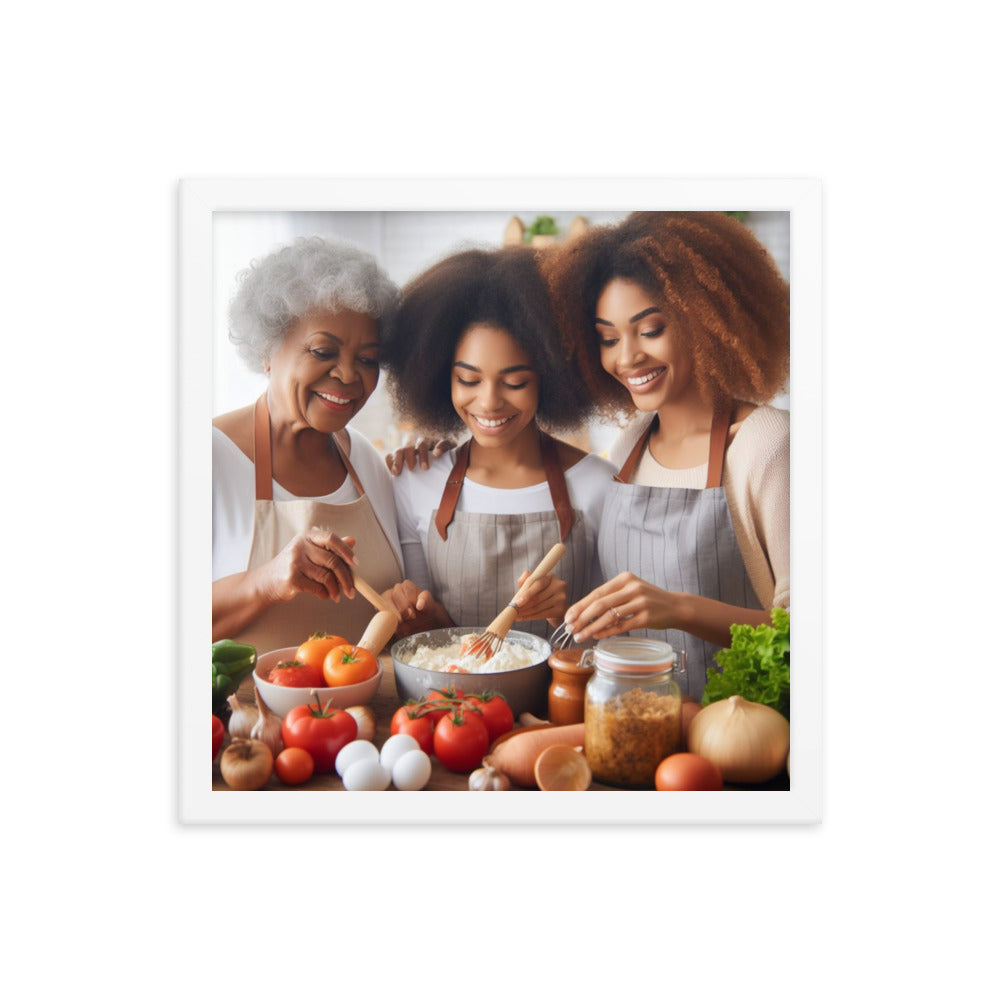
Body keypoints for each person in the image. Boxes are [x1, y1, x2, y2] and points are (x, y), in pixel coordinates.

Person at [543, 212, 790, 699]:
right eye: (608, 339)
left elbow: (812, 632)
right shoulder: (631, 442)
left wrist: (680, 609)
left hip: (740, 740)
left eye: (650, 329)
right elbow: (626, 610)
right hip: (638, 724)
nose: (626, 357)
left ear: (707, 321)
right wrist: (561, 608)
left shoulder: (766, 444)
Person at [379, 244, 615, 639]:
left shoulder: (600, 485)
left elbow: (618, 642)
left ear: (551, 378)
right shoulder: (416, 481)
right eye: (468, 380)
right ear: (440, 377)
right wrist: (420, 613)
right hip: (453, 699)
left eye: (515, 381)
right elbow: (427, 638)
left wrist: (564, 616)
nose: (489, 402)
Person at [212, 236, 404, 649]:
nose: (349, 375)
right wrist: (265, 581)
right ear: (267, 349)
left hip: (365, 713)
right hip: (241, 713)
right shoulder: (205, 457)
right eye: (322, 350)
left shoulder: (367, 461)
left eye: (368, 359)